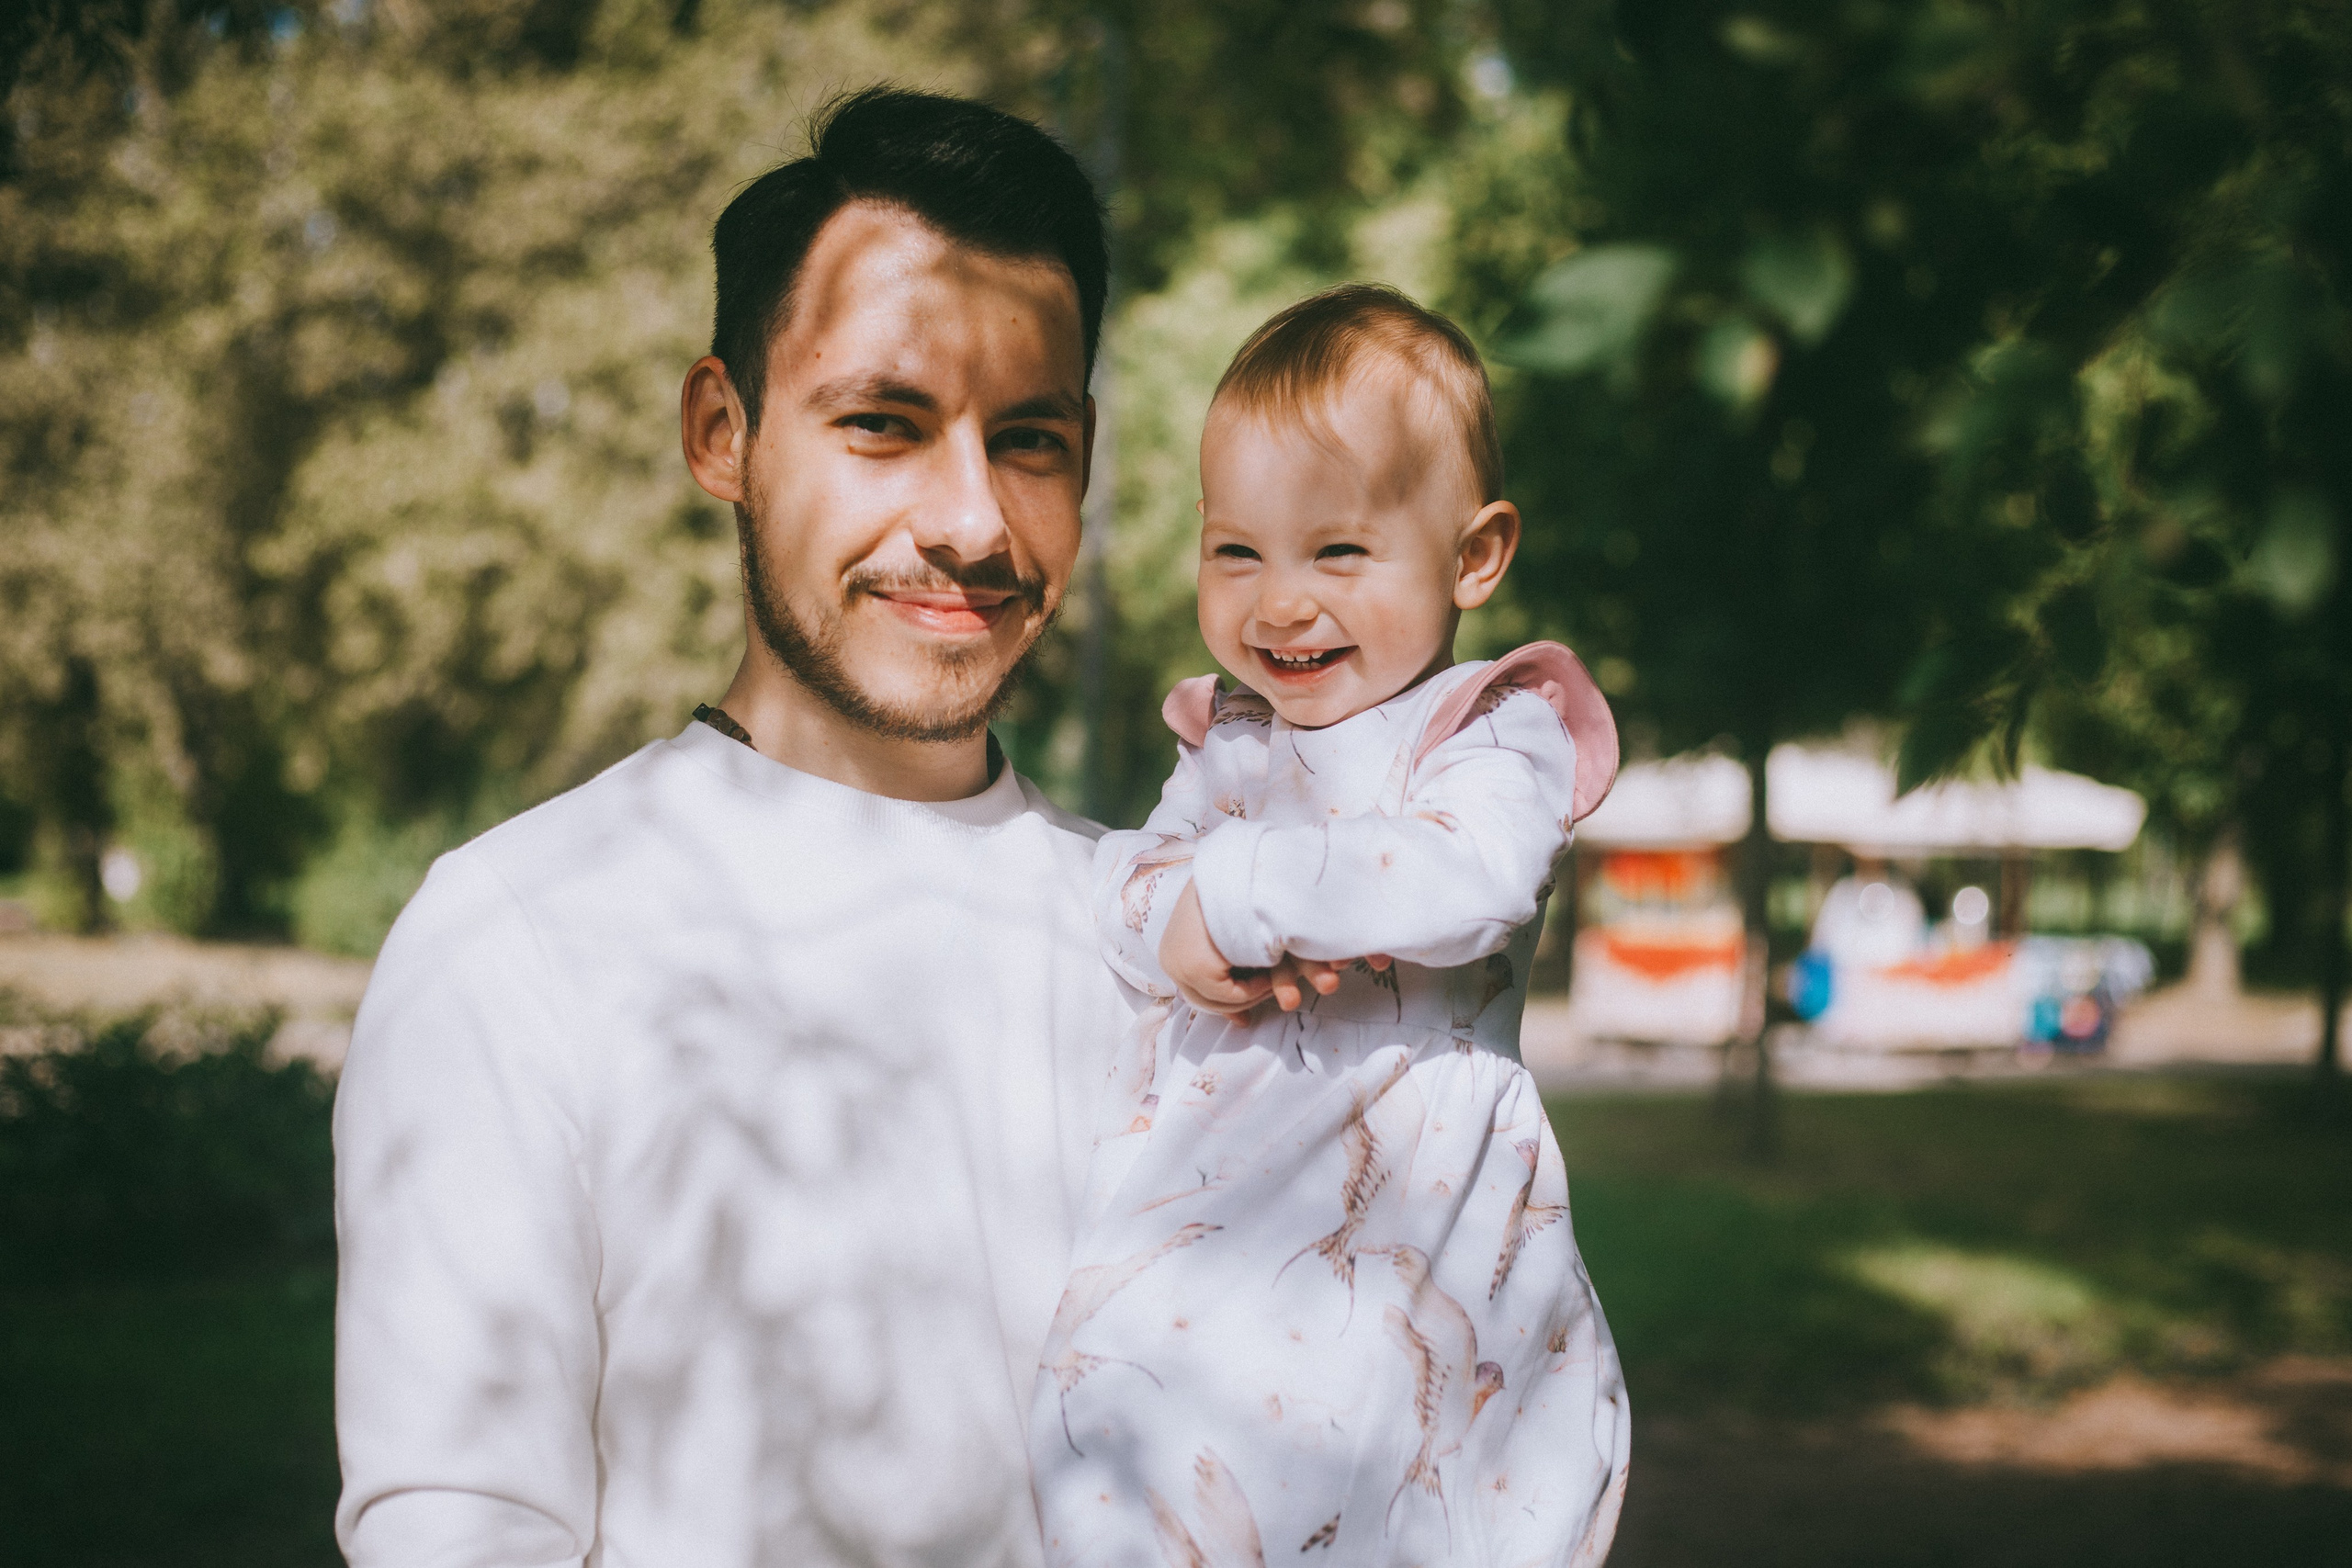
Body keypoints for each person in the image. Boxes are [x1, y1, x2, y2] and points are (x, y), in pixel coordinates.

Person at [332, 89, 1135, 1567]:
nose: (972, 523)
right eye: (884, 424)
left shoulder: (1168, 934)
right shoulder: (518, 939)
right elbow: (462, 1526)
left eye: (1029, 440)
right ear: (724, 432)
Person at [1027, 286, 1632, 1567]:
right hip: (1219, 1195)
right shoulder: (1232, 744)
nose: (1281, 603)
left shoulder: (1486, 731)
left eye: (1339, 552)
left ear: (1475, 556)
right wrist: (1180, 923)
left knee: (1424, 1484)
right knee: (1131, 1434)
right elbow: (1129, 885)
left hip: (1423, 1203)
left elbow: (1471, 877)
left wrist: (1241, 891)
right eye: (1237, 552)